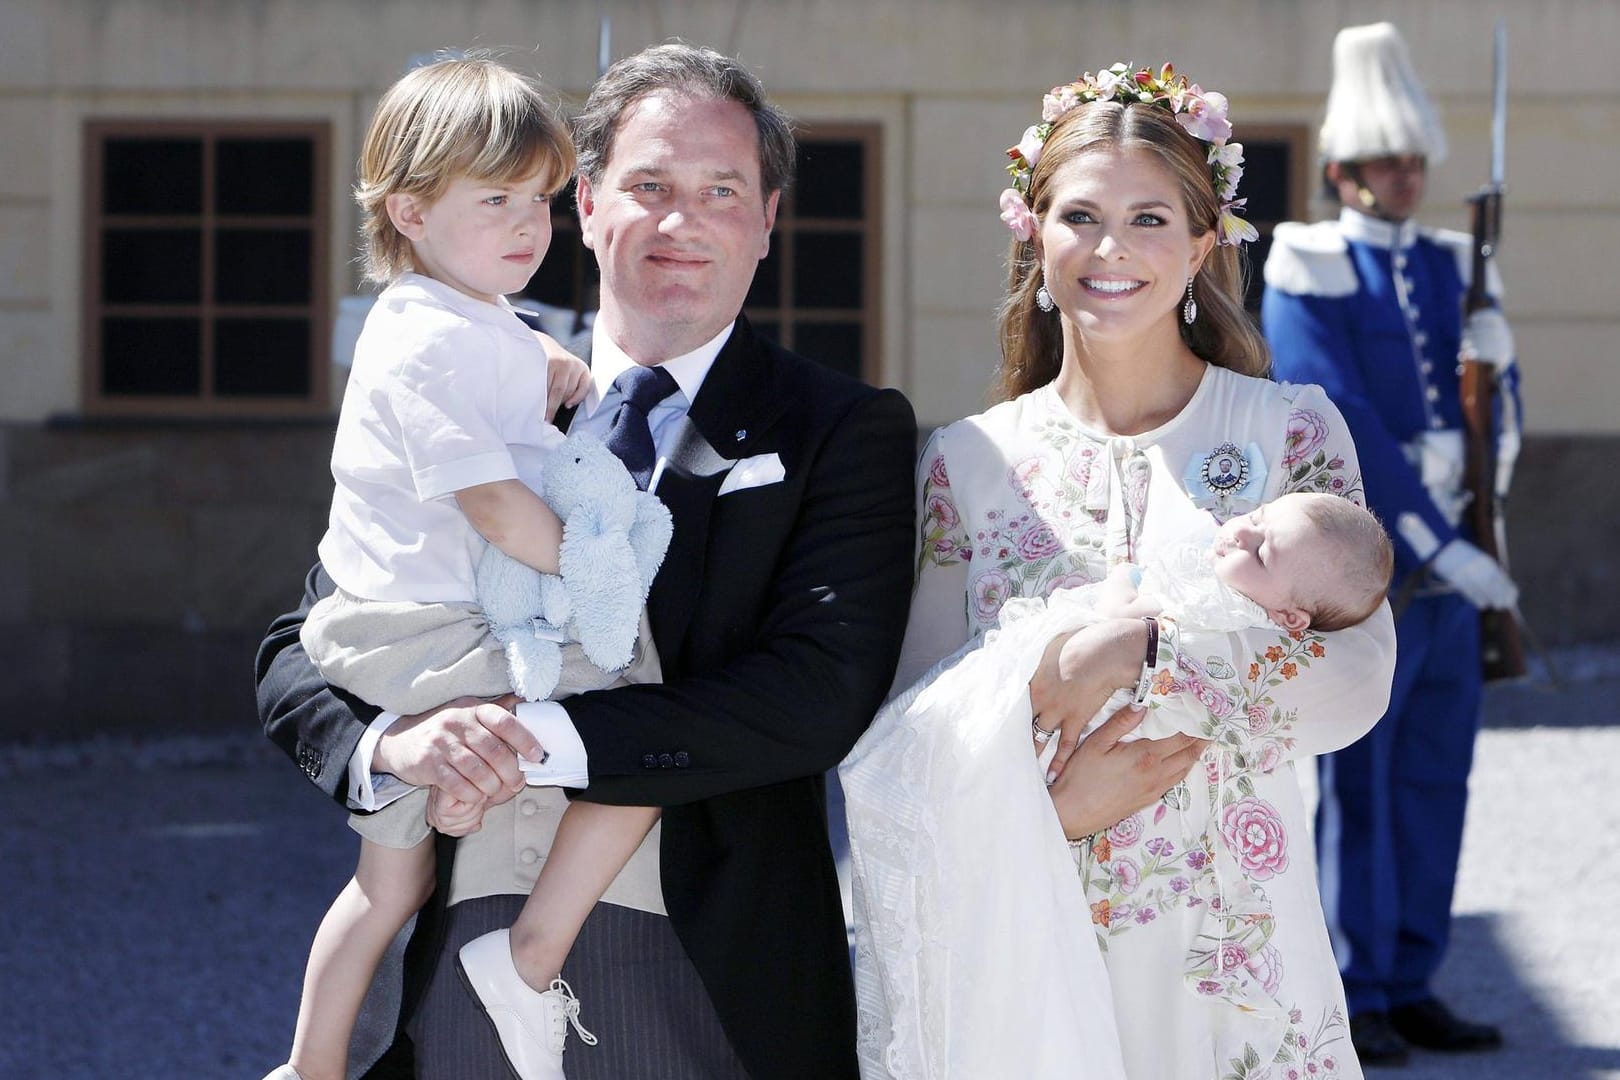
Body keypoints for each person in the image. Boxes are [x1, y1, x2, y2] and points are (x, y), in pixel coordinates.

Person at [258, 42, 922, 1080]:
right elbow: (304, 643)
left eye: (721, 189)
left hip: (700, 958)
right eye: (648, 185)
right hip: (450, 936)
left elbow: (817, 693)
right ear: (588, 204)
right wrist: (394, 747)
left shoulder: (846, 427)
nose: (681, 219)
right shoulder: (480, 376)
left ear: (768, 220)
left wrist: (538, 739)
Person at [842, 63, 1398, 1079]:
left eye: (1149, 219)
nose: (1111, 250)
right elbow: (905, 740)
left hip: (1240, 967)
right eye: (1081, 216)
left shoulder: (1289, 432)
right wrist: (1047, 814)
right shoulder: (964, 464)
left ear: (1202, 241)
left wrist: (1145, 653)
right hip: (1028, 952)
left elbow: (1354, 683)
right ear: (1033, 232)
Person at [259, 54, 683, 1080]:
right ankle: (528, 961)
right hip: (421, 635)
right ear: (407, 211)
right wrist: (594, 575)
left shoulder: (470, 321)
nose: (528, 225)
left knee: (388, 886)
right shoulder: (422, 343)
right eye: (495, 200)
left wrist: (542, 365)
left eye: (539, 198)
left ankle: (309, 1068)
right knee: (657, 722)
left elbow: (495, 388)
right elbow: (492, 502)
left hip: (418, 624)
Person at [1262, 22, 1521, 1064]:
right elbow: (1348, 421)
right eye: (1385, 162)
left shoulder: (1460, 267)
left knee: (1434, 777)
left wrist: (1501, 375)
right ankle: (1352, 987)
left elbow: (1489, 414)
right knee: (1359, 783)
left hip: (1459, 558)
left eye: (1416, 160)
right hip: (1374, 567)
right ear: (1341, 173)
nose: (1407, 177)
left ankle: (1411, 976)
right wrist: (1434, 540)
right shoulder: (1309, 267)